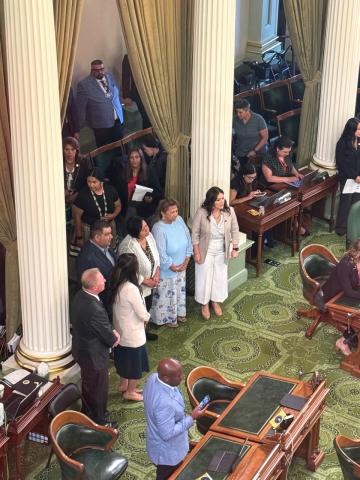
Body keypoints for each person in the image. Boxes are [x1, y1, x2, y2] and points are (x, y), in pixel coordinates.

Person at [71, 268, 120, 426]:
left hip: (82, 350)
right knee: (98, 389)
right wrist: (113, 337)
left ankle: (88, 412)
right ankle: (99, 421)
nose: (105, 280)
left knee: (89, 385)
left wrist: (109, 330)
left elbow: (98, 325)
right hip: (94, 356)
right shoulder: (94, 308)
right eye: (101, 280)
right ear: (94, 287)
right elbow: (106, 335)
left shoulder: (80, 295)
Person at [143, 358, 205, 480]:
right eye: (178, 376)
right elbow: (168, 433)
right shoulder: (165, 404)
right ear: (166, 378)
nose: (182, 377)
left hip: (156, 438)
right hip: (168, 453)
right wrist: (192, 417)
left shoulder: (154, 378)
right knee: (168, 476)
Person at [192, 187, 240, 320]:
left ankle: (215, 301)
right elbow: (195, 234)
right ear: (211, 201)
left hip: (222, 250)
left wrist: (235, 248)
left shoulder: (229, 211)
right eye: (218, 199)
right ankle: (204, 304)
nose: (221, 202)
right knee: (204, 277)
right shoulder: (202, 212)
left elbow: (235, 230)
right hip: (204, 250)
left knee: (219, 277)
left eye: (223, 198)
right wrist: (196, 252)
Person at [110, 254, 150, 402]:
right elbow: (141, 312)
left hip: (121, 331)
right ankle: (130, 391)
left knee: (123, 361)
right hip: (133, 334)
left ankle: (123, 384)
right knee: (135, 365)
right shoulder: (131, 289)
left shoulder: (118, 283)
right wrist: (147, 318)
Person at [150, 199, 193, 328]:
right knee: (166, 295)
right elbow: (160, 252)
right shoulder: (158, 228)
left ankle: (179, 313)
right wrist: (171, 266)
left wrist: (187, 259)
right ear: (163, 213)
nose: (175, 214)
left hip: (182, 265)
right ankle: (166, 318)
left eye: (176, 211)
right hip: (168, 269)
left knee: (179, 291)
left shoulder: (179, 219)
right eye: (172, 212)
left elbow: (188, 238)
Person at [118, 216, 160, 340]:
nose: (147, 230)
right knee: (138, 312)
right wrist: (146, 281)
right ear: (135, 233)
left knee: (147, 306)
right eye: (143, 229)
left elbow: (156, 256)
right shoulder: (127, 245)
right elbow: (127, 269)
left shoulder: (149, 236)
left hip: (151, 282)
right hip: (137, 286)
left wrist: (157, 272)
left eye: (146, 226)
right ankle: (138, 335)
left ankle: (144, 332)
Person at [262, 136, 308, 236]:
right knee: (292, 202)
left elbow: (290, 167)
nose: (287, 154)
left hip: (285, 185)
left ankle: (294, 224)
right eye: (285, 152)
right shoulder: (268, 158)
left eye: (289, 152)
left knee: (300, 196)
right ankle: (296, 226)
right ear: (278, 149)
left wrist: (296, 174)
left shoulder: (286, 155)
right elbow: (269, 178)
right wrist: (287, 179)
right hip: (272, 188)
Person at [322, 239, 360, 355]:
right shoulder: (346, 264)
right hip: (334, 298)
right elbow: (348, 291)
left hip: (348, 294)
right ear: (358, 252)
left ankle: (346, 339)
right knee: (357, 319)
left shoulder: (357, 261)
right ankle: (343, 341)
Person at [77, 59, 124, 147]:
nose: (100, 72)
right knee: (105, 151)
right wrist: (81, 126)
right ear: (91, 71)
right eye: (96, 70)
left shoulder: (109, 76)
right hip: (101, 126)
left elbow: (115, 94)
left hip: (117, 120)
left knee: (119, 149)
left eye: (102, 69)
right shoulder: (84, 85)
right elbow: (80, 109)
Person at [72, 167, 121, 250]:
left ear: (101, 181)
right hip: (89, 230)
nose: (91, 185)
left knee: (109, 254)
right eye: (89, 181)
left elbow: (118, 205)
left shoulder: (110, 190)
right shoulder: (83, 195)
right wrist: (79, 237)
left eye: (94, 182)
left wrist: (113, 215)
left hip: (108, 228)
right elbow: (77, 217)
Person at [76, 220, 116, 312]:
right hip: (101, 304)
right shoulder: (87, 257)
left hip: (110, 299)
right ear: (97, 237)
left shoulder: (105, 246)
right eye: (107, 234)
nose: (111, 236)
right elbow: (87, 286)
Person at [115, 148, 162, 220]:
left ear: (141, 158)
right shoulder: (122, 174)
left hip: (145, 207)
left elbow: (158, 192)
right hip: (128, 208)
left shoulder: (149, 172)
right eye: (131, 158)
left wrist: (150, 198)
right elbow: (118, 194)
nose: (134, 160)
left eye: (137, 157)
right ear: (128, 160)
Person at [63, 136, 91, 247]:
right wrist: (61, 191)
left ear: (77, 151)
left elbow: (87, 182)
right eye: (67, 149)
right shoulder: (56, 162)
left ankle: (75, 240)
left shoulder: (83, 163)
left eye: (72, 149)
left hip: (78, 197)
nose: (70, 153)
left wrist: (77, 195)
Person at [334, 117, 360, 235]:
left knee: (356, 203)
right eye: (358, 129)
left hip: (358, 178)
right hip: (347, 178)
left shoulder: (358, 141)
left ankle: (353, 227)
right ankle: (341, 229)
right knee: (345, 204)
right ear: (351, 130)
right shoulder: (342, 143)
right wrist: (355, 176)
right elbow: (341, 164)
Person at [233, 99, 268, 169]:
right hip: (241, 152)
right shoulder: (234, 120)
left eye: (240, 112)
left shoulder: (258, 119)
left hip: (258, 153)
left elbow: (265, 138)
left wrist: (254, 151)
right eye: (236, 112)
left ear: (248, 111)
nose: (238, 114)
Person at [122, 53, 151, 129]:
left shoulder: (151, 53)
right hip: (139, 93)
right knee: (146, 116)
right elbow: (125, 77)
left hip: (154, 91)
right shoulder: (129, 57)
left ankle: (152, 135)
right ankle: (148, 135)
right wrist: (126, 96)